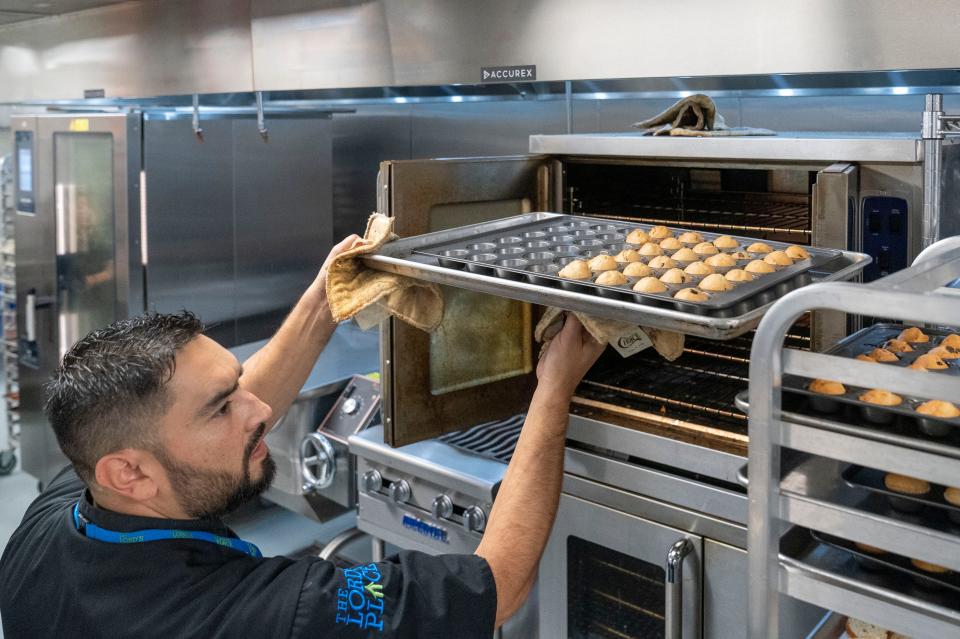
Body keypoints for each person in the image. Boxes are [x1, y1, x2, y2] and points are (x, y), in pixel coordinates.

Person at [0, 235, 605, 638]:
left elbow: (241, 399)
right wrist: (552, 390)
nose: (259, 408)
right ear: (128, 472)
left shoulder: (55, 520)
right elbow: (497, 585)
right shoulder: (262, 612)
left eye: (237, 384)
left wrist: (325, 300)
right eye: (221, 409)